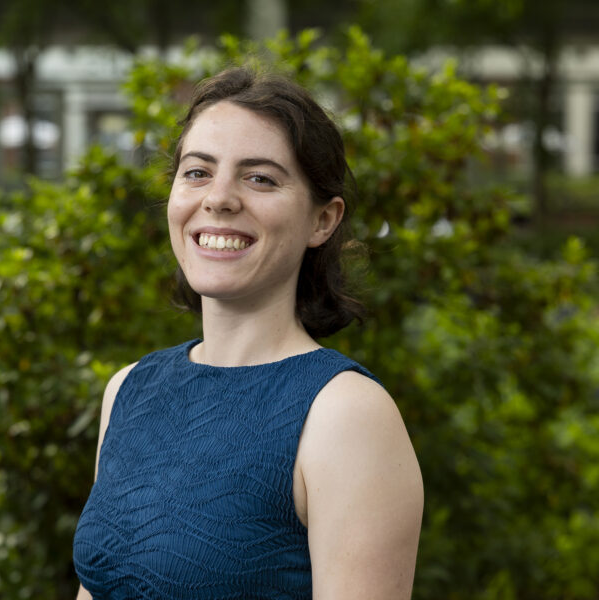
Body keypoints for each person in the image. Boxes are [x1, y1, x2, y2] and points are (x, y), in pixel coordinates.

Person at [73, 66, 423, 599]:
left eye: (259, 178)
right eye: (197, 172)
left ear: (323, 221)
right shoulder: (128, 389)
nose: (219, 198)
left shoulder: (346, 416)